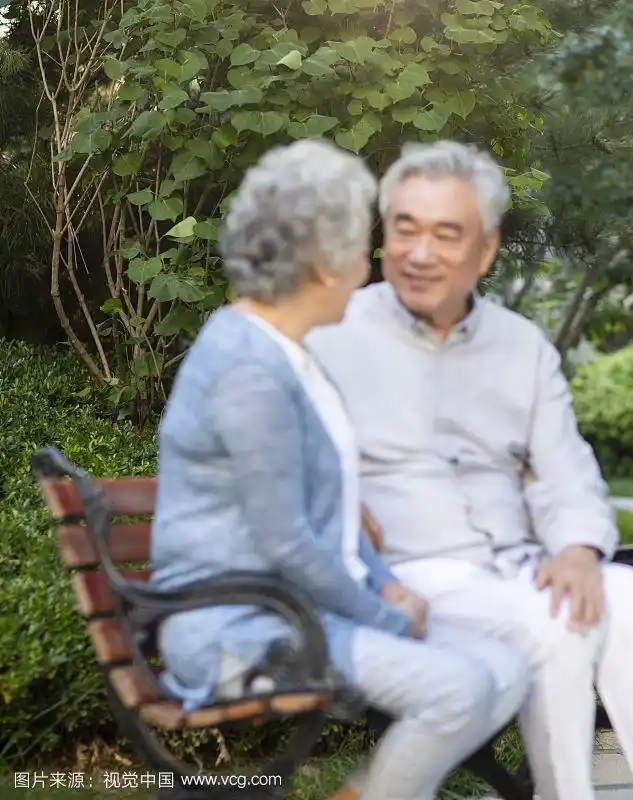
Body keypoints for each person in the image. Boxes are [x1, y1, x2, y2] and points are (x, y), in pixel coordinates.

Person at [305, 140, 633, 800]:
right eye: (405, 229)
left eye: (446, 234)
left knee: (632, 597)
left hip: (521, 567)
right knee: (556, 622)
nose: (418, 252)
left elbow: (567, 472)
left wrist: (578, 549)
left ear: (485, 251)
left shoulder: (521, 346)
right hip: (411, 576)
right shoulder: (329, 337)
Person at [149, 139, 529, 800]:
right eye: (359, 250)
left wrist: (386, 587)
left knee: (507, 667)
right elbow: (287, 540)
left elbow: (333, 513)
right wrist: (386, 615)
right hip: (239, 627)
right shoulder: (248, 370)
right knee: (459, 689)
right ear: (322, 266)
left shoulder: (288, 356)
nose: (368, 267)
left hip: (295, 611)